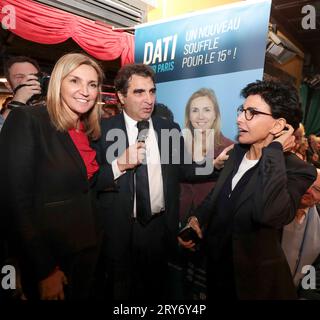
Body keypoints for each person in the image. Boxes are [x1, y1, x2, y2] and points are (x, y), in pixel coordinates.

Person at [179, 80, 317, 300]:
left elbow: (268, 213)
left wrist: (274, 149)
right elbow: (219, 194)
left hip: (252, 285)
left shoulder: (298, 170)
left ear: (278, 125)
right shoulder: (235, 153)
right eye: (242, 110)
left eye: (251, 113)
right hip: (214, 273)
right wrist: (196, 218)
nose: (240, 118)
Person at [94, 63, 219, 300]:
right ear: (121, 96)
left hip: (159, 229)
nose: (148, 99)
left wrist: (217, 165)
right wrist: (119, 165)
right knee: (120, 293)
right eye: (139, 92)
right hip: (118, 231)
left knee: (156, 292)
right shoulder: (102, 131)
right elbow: (91, 184)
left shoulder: (167, 129)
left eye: (152, 91)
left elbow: (186, 170)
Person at [0, 53, 105, 300]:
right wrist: (45, 269)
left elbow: (83, 187)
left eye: (92, 84)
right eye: (75, 81)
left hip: (87, 253)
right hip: (52, 259)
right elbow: (15, 205)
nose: (85, 91)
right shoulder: (28, 119)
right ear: (58, 82)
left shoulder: (84, 128)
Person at [180, 88, 233, 221]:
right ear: (189, 115)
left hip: (211, 223)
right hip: (177, 220)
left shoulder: (229, 148)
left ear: (215, 114)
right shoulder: (178, 145)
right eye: (195, 110)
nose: (200, 116)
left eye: (207, 110)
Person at [282, 169, 320, 288]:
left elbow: (315, 269)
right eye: (306, 183)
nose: (308, 190)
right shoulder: (274, 211)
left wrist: (306, 295)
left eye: (317, 189)